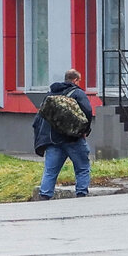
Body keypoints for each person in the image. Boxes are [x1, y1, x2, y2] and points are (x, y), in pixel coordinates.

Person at [32, 69, 94, 199]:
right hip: (73, 139)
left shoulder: (50, 94)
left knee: (50, 171)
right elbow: (87, 112)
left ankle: (45, 195)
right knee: (82, 167)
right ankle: (82, 194)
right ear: (75, 80)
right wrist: (84, 131)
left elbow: (40, 117)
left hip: (53, 140)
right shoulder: (78, 93)